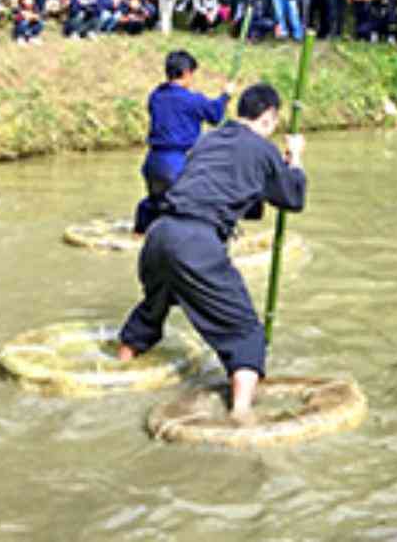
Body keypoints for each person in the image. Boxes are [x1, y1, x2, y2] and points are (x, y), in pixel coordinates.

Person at [118, 83, 306, 421]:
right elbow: (292, 200)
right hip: (195, 242)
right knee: (246, 332)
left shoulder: (209, 139)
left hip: (159, 235)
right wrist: (295, 161)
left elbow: (217, 189)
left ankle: (121, 367)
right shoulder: (262, 150)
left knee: (153, 308)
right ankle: (241, 414)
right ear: (269, 117)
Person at [132, 50, 233, 234]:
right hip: (176, 163)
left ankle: (140, 232)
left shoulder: (156, 96)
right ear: (186, 73)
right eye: (192, 74)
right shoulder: (192, 99)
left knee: (156, 203)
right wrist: (226, 96)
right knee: (192, 207)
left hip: (152, 163)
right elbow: (215, 115)